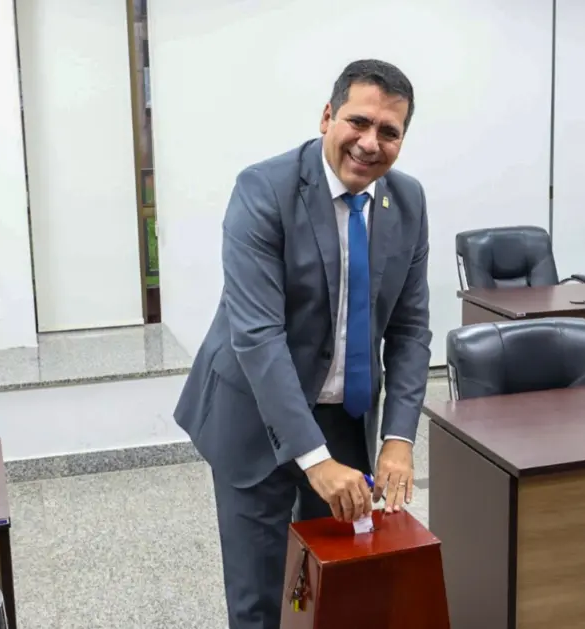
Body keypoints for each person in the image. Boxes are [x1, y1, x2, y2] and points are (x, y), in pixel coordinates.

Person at [173, 58, 432, 629]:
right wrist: (313, 459)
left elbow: (411, 329)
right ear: (326, 116)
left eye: (389, 132)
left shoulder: (407, 203)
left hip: (346, 415)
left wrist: (398, 437)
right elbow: (258, 336)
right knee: (264, 598)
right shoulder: (263, 189)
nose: (370, 143)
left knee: (336, 585)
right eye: (358, 122)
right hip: (253, 413)